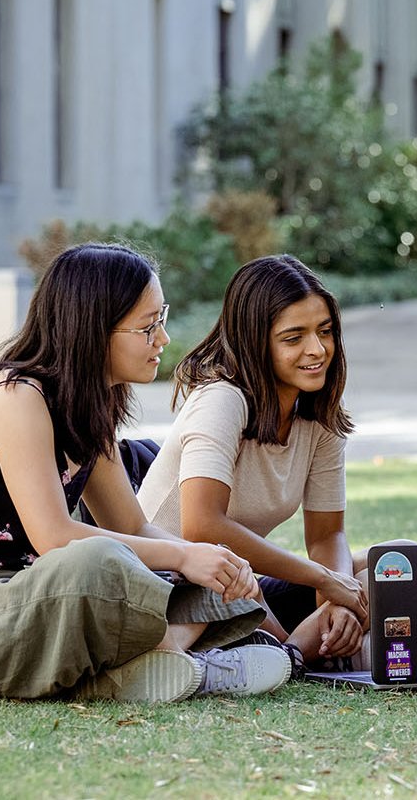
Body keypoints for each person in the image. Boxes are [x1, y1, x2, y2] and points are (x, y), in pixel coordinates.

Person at [0, 244, 297, 703]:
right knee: (100, 559)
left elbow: (132, 525)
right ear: (92, 329)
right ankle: (179, 656)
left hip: (36, 599)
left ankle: (154, 665)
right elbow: (55, 538)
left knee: (192, 562)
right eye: (148, 326)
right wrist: (183, 558)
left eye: (160, 318)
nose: (163, 339)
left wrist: (207, 558)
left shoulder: (91, 405)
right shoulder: (17, 398)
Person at [137, 255, 368, 666]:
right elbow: (202, 527)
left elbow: (327, 537)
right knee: (234, 582)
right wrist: (325, 580)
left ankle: (295, 653)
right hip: (173, 584)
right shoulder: (222, 400)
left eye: (325, 332)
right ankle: (293, 655)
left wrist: (340, 597)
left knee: (391, 562)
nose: (317, 350)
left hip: (239, 581)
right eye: (293, 337)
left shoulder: (321, 413)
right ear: (255, 341)